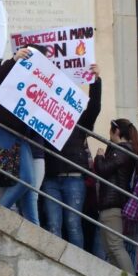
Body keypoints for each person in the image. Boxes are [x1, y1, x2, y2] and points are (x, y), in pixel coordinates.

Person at [41, 65, 102, 247]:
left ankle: (77, 269)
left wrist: (96, 81)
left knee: (73, 225)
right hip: (51, 178)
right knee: (53, 225)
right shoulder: (45, 116)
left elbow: (94, 106)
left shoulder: (81, 119)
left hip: (74, 178)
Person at [0, 48, 40, 224]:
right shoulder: (13, 72)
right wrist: (13, 60)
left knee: (29, 190)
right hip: (6, 131)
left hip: (21, 136)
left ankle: (35, 229)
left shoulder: (38, 81)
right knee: (27, 180)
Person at [93, 119, 138, 274]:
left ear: (117, 131)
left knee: (115, 247)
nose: (109, 135)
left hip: (112, 203)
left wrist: (100, 156)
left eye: (110, 131)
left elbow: (103, 169)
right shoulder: (125, 149)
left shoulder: (121, 150)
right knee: (110, 249)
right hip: (112, 203)